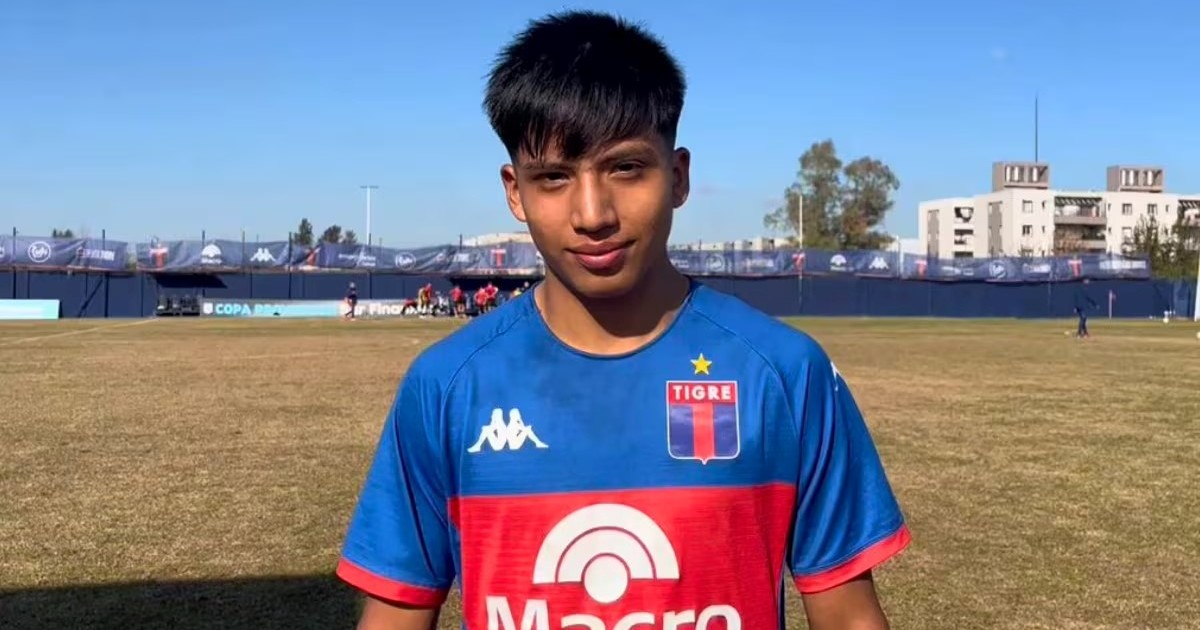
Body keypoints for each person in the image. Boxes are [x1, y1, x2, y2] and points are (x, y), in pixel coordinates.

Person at [336, 10, 910, 630]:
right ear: (515, 191)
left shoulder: (786, 373)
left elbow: (849, 617)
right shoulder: (446, 385)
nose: (593, 214)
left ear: (678, 177)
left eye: (626, 168)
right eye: (553, 177)